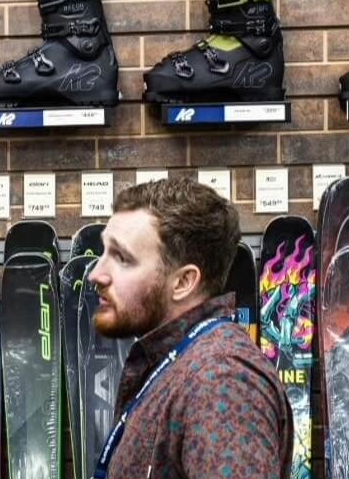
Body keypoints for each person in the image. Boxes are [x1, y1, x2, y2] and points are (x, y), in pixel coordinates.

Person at [86, 178, 292, 479]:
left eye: (122, 258)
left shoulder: (222, 381)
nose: (96, 274)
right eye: (105, 253)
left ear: (183, 282)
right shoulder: (180, 364)